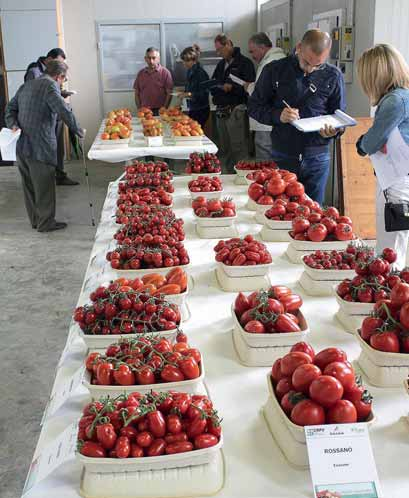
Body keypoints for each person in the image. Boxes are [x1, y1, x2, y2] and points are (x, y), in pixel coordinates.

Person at [248, 29, 346, 204]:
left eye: (318, 65)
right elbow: (254, 107)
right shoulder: (274, 70)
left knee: (314, 211)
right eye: (307, 62)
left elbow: (339, 116)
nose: (310, 69)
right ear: (299, 48)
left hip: (318, 157)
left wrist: (334, 131)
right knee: (281, 210)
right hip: (283, 154)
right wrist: (278, 115)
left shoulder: (333, 75)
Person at [5, 60, 83, 232]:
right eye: (63, 79)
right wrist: (79, 131)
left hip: (22, 145)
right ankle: (46, 223)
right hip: (41, 146)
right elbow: (63, 111)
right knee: (45, 186)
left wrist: (13, 124)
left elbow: (10, 108)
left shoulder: (27, 85)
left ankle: (35, 221)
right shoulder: (50, 87)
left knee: (29, 187)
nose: (62, 82)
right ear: (59, 76)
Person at [356, 44, 409, 269]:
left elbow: (371, 142)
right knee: (400, 245)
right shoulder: (403, 95)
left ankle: (388, 299)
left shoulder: (394, 101)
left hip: (396, 180)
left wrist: (360, 143)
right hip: (400, 177)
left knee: (390, 253)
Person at [24, 47, 79, 186]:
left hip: (55, 117)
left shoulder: (51, 74)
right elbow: (33, 95)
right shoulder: (34, 72)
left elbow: (50, 94)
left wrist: (62, 94)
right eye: (57, 62)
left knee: (57, 149)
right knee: (44, 150)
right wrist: (78, 129)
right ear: (49, 59)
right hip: (41, 119)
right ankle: (44, 178)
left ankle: (59, 175)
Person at [211, 34, 256, 170]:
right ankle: (230, 174)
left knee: (238, 147)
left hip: (236, 110)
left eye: (221, 49)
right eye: (217, 51)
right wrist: (218, 87)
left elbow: (251, 88)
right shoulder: (221, 64)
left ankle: (243, 177)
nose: (219, 53)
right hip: (221, 110)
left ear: (229, 44)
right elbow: (214, 82)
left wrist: (233, 88)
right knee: (225, 148)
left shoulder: (245, 63)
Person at [245, 32, 286, 160]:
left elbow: (263, 93)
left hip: (267, 122)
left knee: (265, 161)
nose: (252, 56)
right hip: (274, 120)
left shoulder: (270, 63)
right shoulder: (279, 58)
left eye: (253, 51)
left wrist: (249, 87)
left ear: (262, 47)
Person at [177, 45, 210, 127]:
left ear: (194, 60)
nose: (184, 63)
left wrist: (189, 94)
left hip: (201, 109)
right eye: (183, 61)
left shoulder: (201, 73)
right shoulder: (189, 71)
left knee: (195, 132)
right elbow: (190, 89)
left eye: (187, 61)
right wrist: (184, 93)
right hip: (193, 107)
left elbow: (204, 94)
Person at [133, 47, 173, 114]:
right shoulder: (141, 73)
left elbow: (169, 93)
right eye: (149, 58)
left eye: (154, 58)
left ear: (158, 59)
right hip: (144, 110)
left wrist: (164, 108)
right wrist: (139, 108)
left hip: (160, 110)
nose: (151, 61)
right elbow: (136, 93)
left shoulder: (165, 73)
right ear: (145, 59)